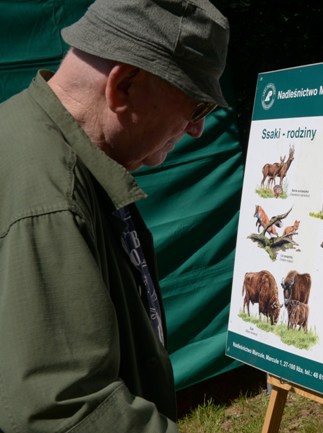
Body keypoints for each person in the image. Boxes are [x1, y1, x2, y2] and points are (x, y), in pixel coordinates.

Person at [0, 0, 229, 431]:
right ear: (123, 85)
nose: (197, 128)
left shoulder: (35, 141)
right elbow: (69, 410)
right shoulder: (52, 197)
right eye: (196, 106)